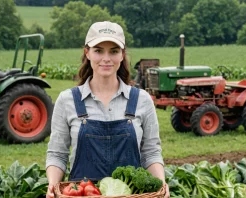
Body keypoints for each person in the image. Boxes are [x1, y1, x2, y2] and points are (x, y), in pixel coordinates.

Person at [46, 21, 170, 198]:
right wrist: (52, 184)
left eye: (113, 51)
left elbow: (150, 152)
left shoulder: (141, 100)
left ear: (122, 55)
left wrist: (161, 183)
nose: (106, 58)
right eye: (98, 50)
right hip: (82, 194)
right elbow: (57, 154)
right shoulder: (67, 100)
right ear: (87, 53)